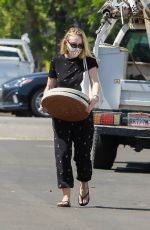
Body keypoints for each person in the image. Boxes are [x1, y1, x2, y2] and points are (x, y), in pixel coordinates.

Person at [42, 27, 100, 207]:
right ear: (66, 42)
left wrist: (94, 99)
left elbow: (95, 82)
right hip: (60, 115)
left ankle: (84, 184)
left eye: (80, 46)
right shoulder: (56, 61)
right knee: (63, 154)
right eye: (73, 44)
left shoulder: (88, 61)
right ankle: (65, 195)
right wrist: (45, 102)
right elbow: (49, 86)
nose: (76, 48)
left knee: (82, 155)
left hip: (83, 113)